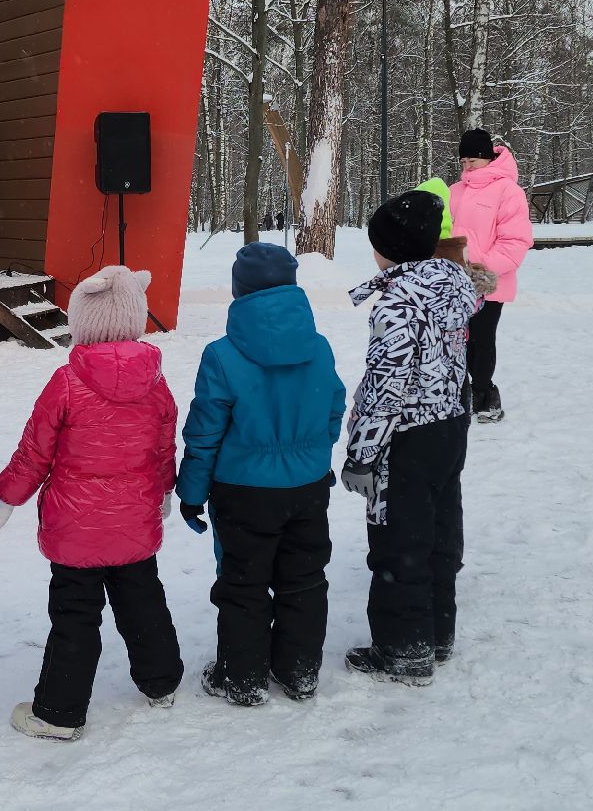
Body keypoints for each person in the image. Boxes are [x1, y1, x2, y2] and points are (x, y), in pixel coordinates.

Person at [0, 266, 184, 742]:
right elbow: (163, 448)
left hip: (76, 529)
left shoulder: (67, 382)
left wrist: (3, 506)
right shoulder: (155, 382)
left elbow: (33, 454)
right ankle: (161, 680)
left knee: (75, 616)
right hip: (134, 522)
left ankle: (59, 711)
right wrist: (164, 493)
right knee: (143, 600)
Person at [176, 243, 346, 706]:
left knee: (243, 584)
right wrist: (313, 455)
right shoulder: (319, 347)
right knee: (305, 578)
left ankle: (242, 676)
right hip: (308, 489)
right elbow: (334, 408)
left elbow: (204, 433)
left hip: (245, 493)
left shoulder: (223, 356)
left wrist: (191, 493)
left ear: (239, 292)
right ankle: (299, 671)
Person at [341, 189, 482, 687]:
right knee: (440, 533)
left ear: (392, 250)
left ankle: (404, 649)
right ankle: (437, 632)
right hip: (450, 427)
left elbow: (385, 387)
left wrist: (361, 454)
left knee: (401, 540)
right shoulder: (452, 286)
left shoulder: (399, 303)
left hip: (407, 436)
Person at [447, 129, 531, 423]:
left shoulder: (508, 192)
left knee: (480, 340)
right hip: (453, 281)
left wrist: (481, 269)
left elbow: (515, 242)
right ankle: (459, 393)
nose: (467, 167)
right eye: (463, 161)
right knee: (454, 339)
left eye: (473, 160)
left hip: (488, 282)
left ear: (487, 158)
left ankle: (485, 394)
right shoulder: (454, 191)